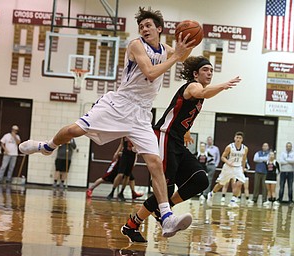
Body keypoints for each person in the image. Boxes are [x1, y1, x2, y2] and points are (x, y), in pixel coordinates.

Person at [19, 6, 195, 238]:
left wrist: (187, 43)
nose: (144, 29)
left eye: (148, 25)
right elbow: (151, 73)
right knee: (74, 129)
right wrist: (176, 56)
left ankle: (167, 217)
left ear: (159, 29)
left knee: (154, 162)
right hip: (119, 104)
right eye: (141, 26)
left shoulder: (166, 49)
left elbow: (184, 56)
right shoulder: (136, 45)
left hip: (142, 114)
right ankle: (47, 147)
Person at [121, 55, 241, 242]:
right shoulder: (193, 86)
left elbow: (184, 113)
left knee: (200, 180)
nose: (209, 73)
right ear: (195, 74)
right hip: (164, 136)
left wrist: (186, 131)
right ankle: (133, 224)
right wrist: (223, 85)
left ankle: (163, 210)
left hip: (176, 141)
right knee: (166, 187)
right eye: (205, 70)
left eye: (211, 70)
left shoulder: (199, 92)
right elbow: (202, 93)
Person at [207, 131, 248, 208]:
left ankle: (233, 201)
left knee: (241, 181)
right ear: (234, 138)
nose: (238, 139)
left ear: (242, 139)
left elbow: (244, 159)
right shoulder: (230, 147)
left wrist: (243, 168)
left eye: (240, 138)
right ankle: (212, 193)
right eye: (237, 137)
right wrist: (228, 162)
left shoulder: (245, 148)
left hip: (238, 167)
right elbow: (223, 157)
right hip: (228, 167)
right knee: (221, 184)